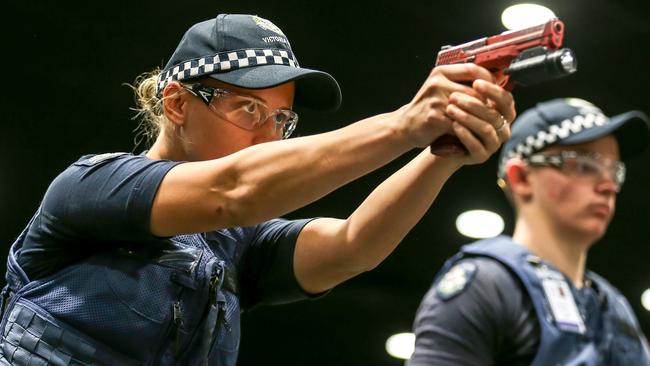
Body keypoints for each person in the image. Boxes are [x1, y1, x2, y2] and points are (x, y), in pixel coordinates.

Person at [0, 13, 515, 366]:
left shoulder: (234, 244)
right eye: (248, 109)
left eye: (283, 119)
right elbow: (237, 189)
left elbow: (354, 245)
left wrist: (440, 154)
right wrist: (406, 124)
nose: (268, 134)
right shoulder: (91, 187)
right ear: (177, 104)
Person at [408, 97, 650, 366]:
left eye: (614, 171)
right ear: (521, 178)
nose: (609, 186)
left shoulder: (615, 309)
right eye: (584, 165)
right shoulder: (485, 286)